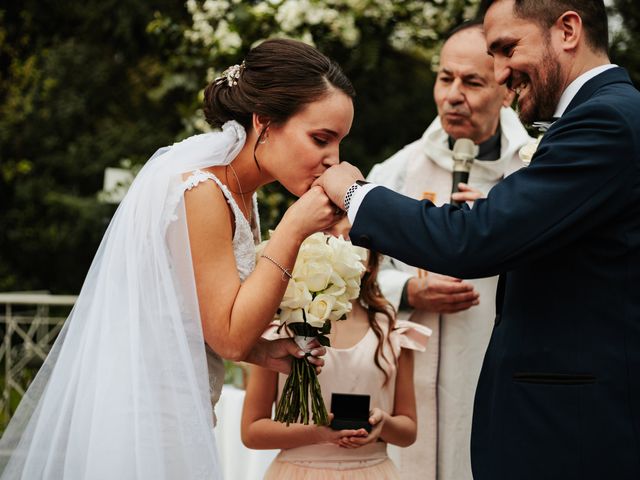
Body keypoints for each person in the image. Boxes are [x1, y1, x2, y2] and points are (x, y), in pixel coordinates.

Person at [0, 38, 355, 479]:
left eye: (339, 143)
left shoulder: (243, 194)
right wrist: (294, 229)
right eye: (321, 138)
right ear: (264, 121)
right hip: (148, 420)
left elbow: (195, 320)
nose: (332, 160)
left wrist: (264, 353)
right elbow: (227, 335)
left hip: (184, 409)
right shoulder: (202, 191)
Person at [314, 1, 640, 479]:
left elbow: (473, 239)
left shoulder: (604, 122)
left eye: (508, 49)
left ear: (568, 30)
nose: (502, 73)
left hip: (572, 430)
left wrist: (353, 191)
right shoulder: (605, 116)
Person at [366, 20, 531, 480]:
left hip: (492, 374)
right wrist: (407, 289)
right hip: (402, 386)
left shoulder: (531, 173)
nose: (453, 95)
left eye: (472, 81)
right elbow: (350, 266)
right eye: (445, 78)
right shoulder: (398, 170)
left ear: (505, 89)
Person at [241, 251, 431, 479]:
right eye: (329, 236)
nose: (341, 247)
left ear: (371, 262)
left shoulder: (393, 333)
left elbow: (408, 431)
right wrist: (317, 433)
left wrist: (384, 424)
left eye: (354, 243)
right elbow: (251, 431)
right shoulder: (280, 332)